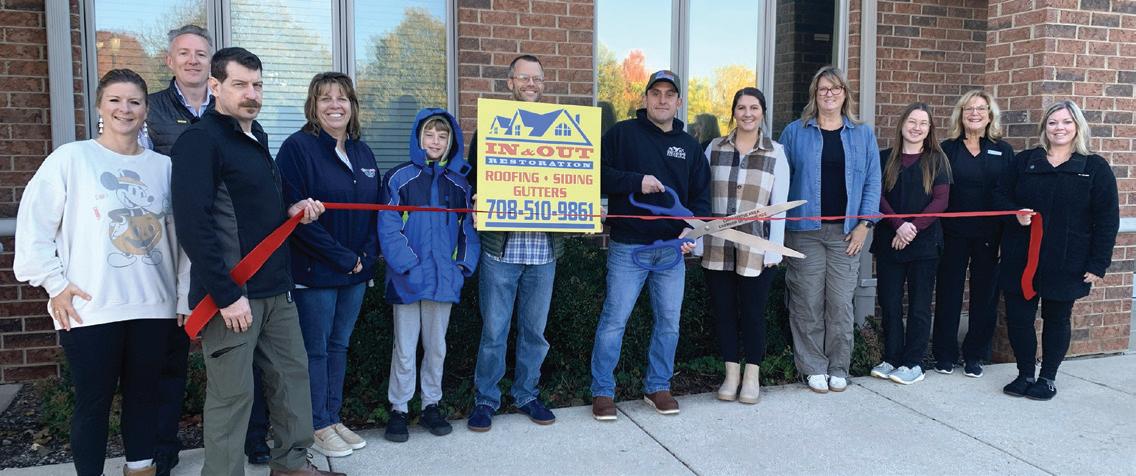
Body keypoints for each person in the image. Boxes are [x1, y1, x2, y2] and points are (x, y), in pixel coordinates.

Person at [170, 47, 339, 476]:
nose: (252, 94)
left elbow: (255, 208)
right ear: (215, 86)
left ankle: (291, 465)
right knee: (232, 397)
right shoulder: (199, 141)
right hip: (232, 296)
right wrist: (227, 295)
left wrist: (292, 209)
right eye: (240, 84)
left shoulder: (256, 136)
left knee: (292, 382)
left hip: (277, 290)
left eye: (258, 85)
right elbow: (194, 225)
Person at [14, 69, 181, 476]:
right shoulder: (71, 159)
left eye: (135, 101)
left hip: (155, 307)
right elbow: (33, 227)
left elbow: (184, 239)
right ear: (99, 107)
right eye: (115, 100)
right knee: (93, 402)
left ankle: (140, 470)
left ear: (146, 110)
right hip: (90, 307)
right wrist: (55, 284)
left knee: (145, 398)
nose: (125, 109)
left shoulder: (165, 168)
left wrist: (184, 294)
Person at [142, 25, 273, 473]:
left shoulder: (245, 123)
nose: (193, 60)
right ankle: (163, 451)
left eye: (201, 53)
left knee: (244, 363)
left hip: (226, 254)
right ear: (170, 60)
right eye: (184, 53)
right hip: (168, 244)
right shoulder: (152, 110)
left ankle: (254, 442)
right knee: (171, 358)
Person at [590, 70, 710, 421]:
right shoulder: (622, 134)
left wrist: (691, 233)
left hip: (672, 251)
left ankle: (658, 386)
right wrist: (636, 182)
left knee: (669, 323)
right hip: (628, 247)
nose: (662, 99)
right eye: (655, 93)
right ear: (645, 98)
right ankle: (602, 391)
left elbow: (701, 198)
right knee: (614, 321)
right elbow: (595, 174)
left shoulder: (690, 146)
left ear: (679, 102)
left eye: (669, 94)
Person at [276, 72, 380, 457]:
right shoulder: (297, 148)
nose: (335, 105)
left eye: (342, 98)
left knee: (339, 346)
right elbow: (295, 218)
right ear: (313, 105)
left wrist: (365, 258)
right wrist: (346, 259)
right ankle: (317, 425)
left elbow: (375, 212)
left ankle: (332, 417)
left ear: (352, 105)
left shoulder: (362, 152)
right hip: (316, 273)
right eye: (325, 98)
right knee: (315, 351)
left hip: (356, 273)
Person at [994, 100, 1118, 401]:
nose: (1059, 128)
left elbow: (1107, 219)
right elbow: (999, 195)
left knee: (1057, 318)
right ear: (1044, 128)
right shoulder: (1026, 161)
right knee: (1019, 318)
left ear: (1077, 127)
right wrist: (1014, 213)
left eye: (1066, 122)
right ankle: (1025, 373)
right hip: (1022, 257)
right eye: (1052, 122)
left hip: (1067, 259)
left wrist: (1098, 263)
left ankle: (1047, 377)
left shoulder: (1094, 167)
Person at [467, 55, 559, 432]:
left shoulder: (560, 131)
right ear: (510, 83)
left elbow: (574, 180)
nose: (531, 84)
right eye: (524, 77)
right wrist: (476, 198)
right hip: (501, 250)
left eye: (537, 78)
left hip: (544, 252)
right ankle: (486, 398)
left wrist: (585, 206)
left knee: (535, 332)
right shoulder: (491, 127)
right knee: (494, 331)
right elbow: (475, 178)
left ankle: (526, 393)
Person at [778, 65, 881, 394]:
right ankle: (813, 367)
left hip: (847, 234)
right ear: (815, 94)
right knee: (807, 302)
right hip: (804, 231)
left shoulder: (862, 134)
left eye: (836, 88)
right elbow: (780, 182)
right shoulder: (795, 132)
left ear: (845, 94)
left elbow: (872, 181)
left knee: (840, 303)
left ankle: (838, 367)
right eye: (823, 88)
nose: (829, 94)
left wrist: (865, 224)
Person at [378, 109, 479, 442]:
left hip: (444, 280)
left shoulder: (460, 183)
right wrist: (406, 265)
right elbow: (388, 226)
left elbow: (468, 230)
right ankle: (399, 408)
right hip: (407, 279)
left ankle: (431, 405)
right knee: (405, 347)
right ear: (418, 138)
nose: (435, 141)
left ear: (451, 141)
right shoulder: (399, 178)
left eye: (442, 135)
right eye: (429, 135)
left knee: (436, 347)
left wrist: (461, 267)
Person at [700, 87, 789, 404]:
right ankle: (731, 374)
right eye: (741, 107)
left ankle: (752, 376)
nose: (747, 113)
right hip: (718, 244)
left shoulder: (776, 152)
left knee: (752, 313)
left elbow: (780, 205)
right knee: (724, 312)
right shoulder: (713, 148)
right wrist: (698, 242)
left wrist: (774, 249)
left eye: (754, 107)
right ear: (733, 112)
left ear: (762, 113)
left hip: (757, 246)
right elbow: (702, 196)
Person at [931, 90, 1014, 378]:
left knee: (985, 297)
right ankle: (944, 354)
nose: (974, 113)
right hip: (952, 233)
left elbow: (1008, 193)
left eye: (981, 109)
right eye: (969, 109)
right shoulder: (946, 149)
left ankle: (975, 355)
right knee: (948, 294)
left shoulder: (1003, 151)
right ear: (960, 114)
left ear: (990, 115)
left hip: (990, 235)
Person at [868, 103, 952, 385]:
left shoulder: (937, 160)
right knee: (889, 302)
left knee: (919, 305)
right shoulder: (884, 158)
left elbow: (941, 200)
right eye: (912, 121)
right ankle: (892, 358)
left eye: (923, 123)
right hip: (889, 240)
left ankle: (913, 363)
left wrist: (912, 228)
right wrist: (898, 225)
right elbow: (876, 195)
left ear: (929, 130)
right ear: (902, 124)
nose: (917, 128)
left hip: (924, 244)